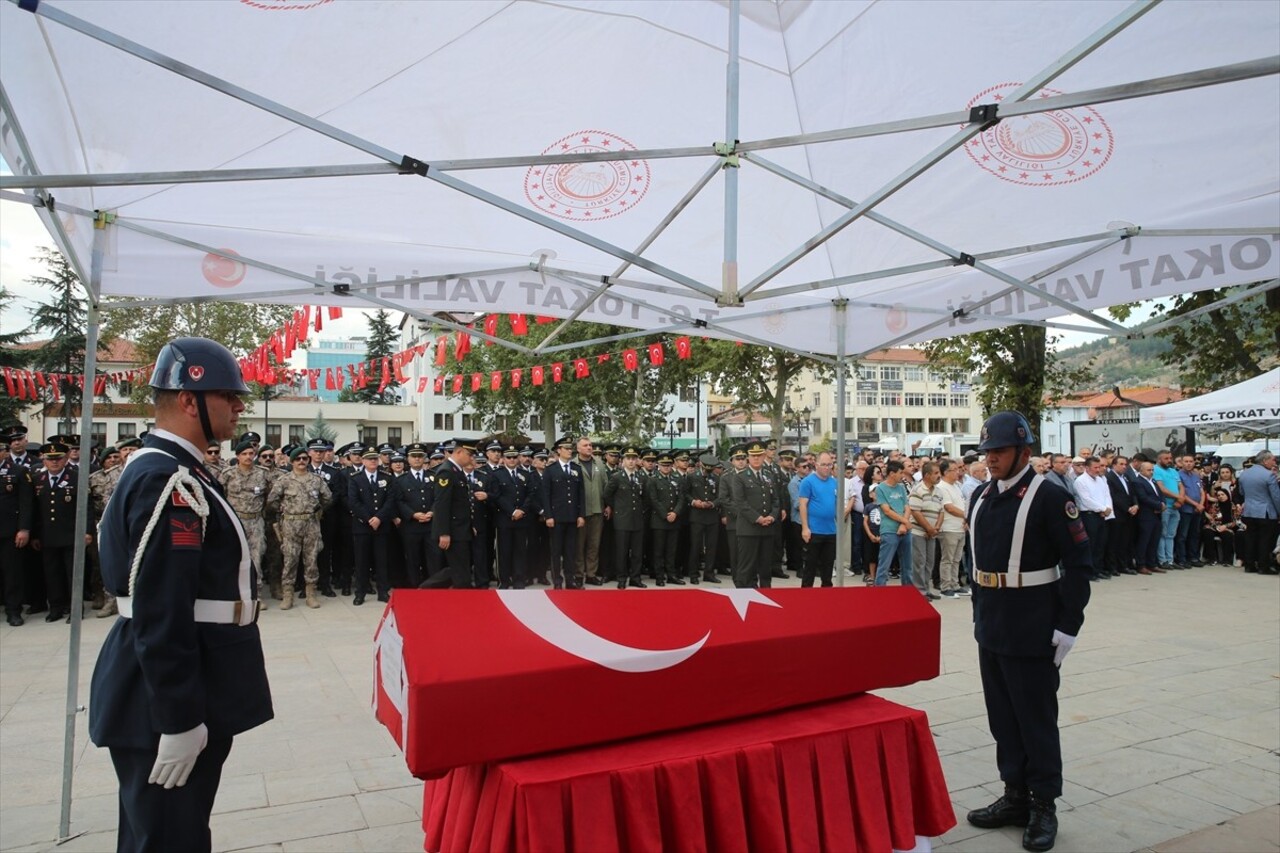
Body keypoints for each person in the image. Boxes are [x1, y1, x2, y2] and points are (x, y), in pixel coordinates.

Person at [89, 337, 272, 853]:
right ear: (190, 400)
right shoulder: (168, 481)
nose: (240, 406)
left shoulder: (175, 471)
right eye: (228, 396)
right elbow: (160, 608)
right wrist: (179, 717)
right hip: (166, 696)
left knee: (167, 832)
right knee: (170, 838)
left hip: (182, 684)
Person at [964, 412, 1092, 853]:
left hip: (1034, 623)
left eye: (999, 451)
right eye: (987, 452)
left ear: (1025, 451)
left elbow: (1077, 564)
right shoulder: (981, 495)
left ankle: (1043, 804)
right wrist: (980, 613)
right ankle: (1014, 794)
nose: (991, 459)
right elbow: (974, 560)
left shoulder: (1050, 498)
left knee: (1035, 719)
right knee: (1003, 718)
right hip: (993, 622)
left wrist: (1068, 626)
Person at [267, 446, 332, 609]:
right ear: (292, 461)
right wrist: (282, 509)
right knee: (290, 560)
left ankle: (311, 594)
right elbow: (272, 500)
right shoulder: (284, 480)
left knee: (311, 560)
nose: (302, 461)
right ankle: (288, 595)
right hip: (290, 525)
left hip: (311, 524)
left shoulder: (316, 480)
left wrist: (317, 509)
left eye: (304, 458)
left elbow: (328, 498)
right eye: (298, 459)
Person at [421, 439, 477, 589]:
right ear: (459, 452)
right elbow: (442, 504)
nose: (472, 458)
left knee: (460, 568)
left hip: (461, 529)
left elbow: (461, 504)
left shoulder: (456, 471)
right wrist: (444, 532)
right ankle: (427, 589)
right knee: (459, 571)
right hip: (453, 530)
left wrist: (469, 525)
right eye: (469, 454)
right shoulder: (447, 471)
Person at [728, 440, 780, 588]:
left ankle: (766, 593)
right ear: (748, 458)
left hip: (767, 528)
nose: (756, 458)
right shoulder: (740, 477)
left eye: (760, 455)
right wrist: (757, 518)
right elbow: (740, 502)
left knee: (765, 566)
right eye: (753, 455)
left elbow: (776, 500)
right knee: (746, 567)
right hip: (748, 529)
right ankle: (744, 595)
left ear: (764, 456)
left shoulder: (769, 475)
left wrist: (772, 516)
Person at [347, 447, 395, 604]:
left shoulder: (386, 477)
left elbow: (390, 501)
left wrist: (379, 518)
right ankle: (360, 593)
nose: (373, 461)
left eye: (375, 458)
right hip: (362, 526)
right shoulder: (355, 478)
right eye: (369, 459)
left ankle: (382, 591)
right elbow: (353, 502)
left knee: (382, 561)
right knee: (361, 561)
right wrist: (369, 519)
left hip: (381, 526)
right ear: (363, 461)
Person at [540, 437, 585, 589]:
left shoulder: (576, 469)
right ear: (558, 450)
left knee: (570, 551)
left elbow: (581, 494)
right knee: (556, 550)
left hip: (572, 516)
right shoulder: (550, 470)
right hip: (557, 517)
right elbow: (545, 495)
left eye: (570, 448)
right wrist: (549, 515)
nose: (569, 451)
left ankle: (570, 579)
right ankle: (557, 580)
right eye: (566, 448)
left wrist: (581, 515)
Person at [0, 439, 34, 626]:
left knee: (12, 573)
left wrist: (24, 529)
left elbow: (26, 503)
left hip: (9, 531)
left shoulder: (18, 471)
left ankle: (13, 610)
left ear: (4, 452)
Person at [604, 446, 648, 588]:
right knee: (621, 552)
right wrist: (617, 508)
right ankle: (621, 578)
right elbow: (607, 495)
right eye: (628, 458)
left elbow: (646, 497)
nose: (631, 461)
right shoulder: (617, 477)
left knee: (637, 552)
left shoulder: (642, 476)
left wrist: (642, 509)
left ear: (637, 460)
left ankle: (635, 578)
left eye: (633, 458)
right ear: (623, 461)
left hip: (637, 519)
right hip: (622, 519)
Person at [797, 451, 839, 587]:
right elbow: (802, 504)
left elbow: (836, 504)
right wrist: (805, 527)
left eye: (829, 465)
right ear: (816, 465)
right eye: (824, 464)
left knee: (828, 569)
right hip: (814, 531)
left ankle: (827, 599)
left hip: (831, 531)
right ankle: (806, 598)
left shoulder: (834, 482)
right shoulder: (808, 482)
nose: (827, 468)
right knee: (810, 567)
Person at [1236, 450, 1280, 575]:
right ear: (1265, 461)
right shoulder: (1269, 475)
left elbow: (1242, 492)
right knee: (1265, 540)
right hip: (1265, 511)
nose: (1274, 462)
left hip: (1249, 511)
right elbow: (1276, 496)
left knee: (1250, 538)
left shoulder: (1244, 474)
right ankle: (1263, 566)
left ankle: (1249, 565)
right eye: (1272, 459)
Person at [907, 461, 944, 600]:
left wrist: (936, 528)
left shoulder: (938, 491)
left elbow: (941, 511)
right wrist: (928, 528)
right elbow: (916, 512)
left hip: (932, 533)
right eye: (936, 473)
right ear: (927, 475)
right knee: (919, 562)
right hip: (919, 532)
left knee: (930, 562)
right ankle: (919, 591)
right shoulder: (918, 490)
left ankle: (926, 589)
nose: (939, 476)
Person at [874, 460, 913, 587]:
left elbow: (907, 507)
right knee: (884, 564)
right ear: (892, 473)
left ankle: (908, 590)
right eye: (900, 472)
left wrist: (904, 524)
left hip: (905, 530)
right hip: (889, 531)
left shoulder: (901, 487)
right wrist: (905, 521)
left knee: (907, 564)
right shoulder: (881, 489)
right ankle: (879, 591)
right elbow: (887, 511)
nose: (903, 475)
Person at [935, 459, 969, 598]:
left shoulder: (956, 486)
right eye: (954, 470)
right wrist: (967, 516)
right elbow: (949, 508)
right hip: (949, 528)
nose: (958, 472)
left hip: (960, 527)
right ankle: (945, 586)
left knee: (957, 559)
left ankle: (955, 584)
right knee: (947, 559)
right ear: (945, 472)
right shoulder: (942, 487)